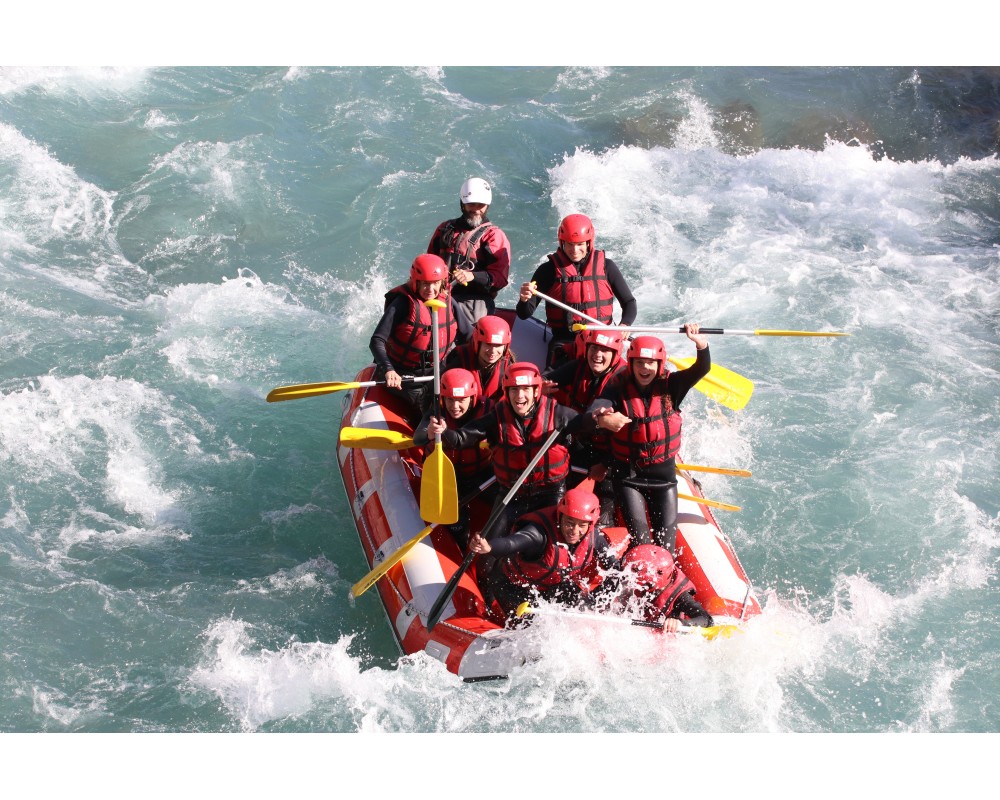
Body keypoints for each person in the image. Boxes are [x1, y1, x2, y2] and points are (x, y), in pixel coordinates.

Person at [429, 361, 597, 541]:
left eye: (525, 389)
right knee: (489, 551)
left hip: (550, 492)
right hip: (511, 493)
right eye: (514, 390)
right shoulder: (497, 417)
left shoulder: (559, 414)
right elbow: (460, 439)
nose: (520, 396)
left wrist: (600, 421)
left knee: (554, 542)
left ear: (536, 391)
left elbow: (587, 425)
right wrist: (443, 431)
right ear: (507, 393)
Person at [588, 325, 711, 555]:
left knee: (666, 547)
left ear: (659, 364)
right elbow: (593, 411)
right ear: (631, 363)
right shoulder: (617, 387)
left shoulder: (672, 386)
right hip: (628, 479)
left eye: (650, 363)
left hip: (664, 480)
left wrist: (700, 344)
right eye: (638, 363)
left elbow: (701, 369)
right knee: (642, 545)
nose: (644, 368)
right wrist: (603, 419)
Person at [468, 486, 625, 619]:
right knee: (532, 624)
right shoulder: (538, 533)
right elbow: (512, 542)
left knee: (574, 593)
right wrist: (489, 547)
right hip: (512, 586)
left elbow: (615, 571)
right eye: (569, 523)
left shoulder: (594, 537)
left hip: (548, 587)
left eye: (581, 525)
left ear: (590, 525)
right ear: (560, 516)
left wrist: (596, 603)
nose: (574, 531)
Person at [516, 213, 637, 368]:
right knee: (552, 382)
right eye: (570, 244)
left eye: (580, 244)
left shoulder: (607, 267)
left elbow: (629, 303)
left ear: (588, 243)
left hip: (601, 341)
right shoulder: (548, 270)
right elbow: (523, 313)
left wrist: (625, 325)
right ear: (562, 242)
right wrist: (524, 299)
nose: (575, 250)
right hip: (565, 341)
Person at [369, 253, 470, 420]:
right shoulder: (402, 304)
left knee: (457, 403)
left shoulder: (448, 301)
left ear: (443, 282)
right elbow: (377, 340)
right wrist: (389, 370)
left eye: (435, 284)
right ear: (415, 281)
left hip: (437, 372)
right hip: (404, 376)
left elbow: (468, 336)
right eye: (425, 284)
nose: (430, 290)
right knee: (429, 406)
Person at [543, 327, 627, 526]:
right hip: (583, 444)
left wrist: (605, 463)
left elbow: (629, 438)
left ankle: (605, 527)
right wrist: (539, 387)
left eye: (604, 351)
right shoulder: (578, 366)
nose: (597, 355)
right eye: (594, 349)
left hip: (613, 456)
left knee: (605, 516)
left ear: (615, 355)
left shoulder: (623, 380)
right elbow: (550, 378)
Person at [412, 368, 496, 550]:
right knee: (458, 524)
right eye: (450, 399)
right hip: (447, 476)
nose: (455, 406)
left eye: (461, 400)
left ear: (472, 398)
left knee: (503, 504)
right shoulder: (436, 410)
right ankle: (458, 549)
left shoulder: (489, 410)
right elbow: (417, 438)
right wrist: (429, 433)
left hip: (480, 473)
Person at [427, 177, 511, 329]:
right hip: (441, 296)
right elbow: (428, 263)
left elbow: (500, 278)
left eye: (481, 205)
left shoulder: (493, 236)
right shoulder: (445, 229)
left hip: (475, 302)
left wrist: (472, 276)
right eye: (472, 204)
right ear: (462, 204)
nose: (476, 209)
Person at [617, 544, 714, 631]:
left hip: (664, 638)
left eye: (633, 573)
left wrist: (680, 623)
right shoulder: (628, 579)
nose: (629, 578)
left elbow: (706, 619)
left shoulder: (681, 596)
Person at [444, 314, 514, 402]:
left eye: (498, 345)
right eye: (488, 344)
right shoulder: (460, 359)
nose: (493, 351)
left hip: (491, 413)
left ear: (505, 347)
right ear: (477, 343)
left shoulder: (508, 366)